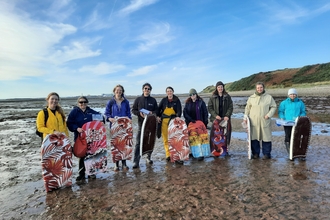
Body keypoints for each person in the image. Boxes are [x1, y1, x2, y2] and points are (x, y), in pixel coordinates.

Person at [67, 96, 102, 181]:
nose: (83, 104)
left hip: (90, 137)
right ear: (78, 103)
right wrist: (76, 128)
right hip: (80, 137)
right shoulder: (74, 112)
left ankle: (91, 173)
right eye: (81, 102)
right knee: (82, 155)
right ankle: (81, 174)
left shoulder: (91, 112)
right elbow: (69, 123)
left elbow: (101, 118)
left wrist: (101, 121)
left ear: (87, 103)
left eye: (84, 102)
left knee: (91, 154)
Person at [244, 82, 277, 159]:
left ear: (263, 88)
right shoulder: (251, 98)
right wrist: (245, 118)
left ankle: (266, 154)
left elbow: (274, 107)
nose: (259, 89)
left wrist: (268, 115)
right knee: (254, 138)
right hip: (254, 121)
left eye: (261, 87)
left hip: (265, 121)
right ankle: (255, 153)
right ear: (256, 88)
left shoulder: (269, 97)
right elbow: (247, 108)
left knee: (266, 138)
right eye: (258, 88)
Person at [104, 84, 132, 171]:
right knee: (115, 145)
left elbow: (128, 113)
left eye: (120, 90)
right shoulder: (111, 102)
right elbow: (106, 113)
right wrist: (109, 118)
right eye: (117, 90)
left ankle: (124, 164)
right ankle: (116, 164)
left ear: (122, 91)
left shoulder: (126, 102)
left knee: (124, 145)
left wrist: (129, 119)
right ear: (114, 91)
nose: (119, 91)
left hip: (124, 126)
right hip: (114, 126)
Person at [131, 83, 158, 169]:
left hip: (151, 125)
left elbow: (157, 111)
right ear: (143, 89)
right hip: (141, 124)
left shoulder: (153, 100)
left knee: (150, 141)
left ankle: (148, 157)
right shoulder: (138, 99)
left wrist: (152, 113)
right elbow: (133, 110)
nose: (147, 90)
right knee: (138, 143)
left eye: (148, 89)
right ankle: (136, 161)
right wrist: (139, 113)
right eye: (145, 88)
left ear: (150, 90)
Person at [158, 86, 182, 162]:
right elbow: (158, 109)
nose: (169, 92)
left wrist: (178, 116)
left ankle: (175, 154)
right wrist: (157, 116)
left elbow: (179, 110)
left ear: (173, 92)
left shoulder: (177, 100)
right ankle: (168, 154)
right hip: (164, 122)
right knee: (165, 139)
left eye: (170, 91)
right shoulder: (163, 100)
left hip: (173, 121)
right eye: (168, 91)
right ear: (166, 92)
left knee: (174, 138)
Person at [183, 88, 209, 161]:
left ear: (196, 94)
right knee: (193, 138)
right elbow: (185, 113)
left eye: (193, 94)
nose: (192, 96)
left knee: (201, 138)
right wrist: (190, 120)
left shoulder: (201, 102)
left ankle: (201, 154)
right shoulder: (188, 103)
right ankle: (194, 152)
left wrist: (205, 123)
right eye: (191, 95)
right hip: (191, 124)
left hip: (200, 123)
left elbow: (205, 113)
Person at [278, 88, 306, 153]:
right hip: (287, 123)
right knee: (288, 136)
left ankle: (297, 151)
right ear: (288, 95)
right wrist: (282, 117)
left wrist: (300, 117)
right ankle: (290, 152)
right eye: (291, 94)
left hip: (297, 122)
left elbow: (303, 112)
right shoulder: (284, 103)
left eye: (294, 94)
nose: (292, 95)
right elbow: (280, 111)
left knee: (297, 136)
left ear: (296, 95)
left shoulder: (300, 102)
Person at [208, 81, 233, 152]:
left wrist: (227, 115)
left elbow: (230, 107)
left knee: (225, 135)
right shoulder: (213, 97)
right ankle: (216, 150)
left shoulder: (227, 96)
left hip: (225, 119)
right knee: (216, 135)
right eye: (218, 87)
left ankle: (225, 150)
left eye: (221, 87)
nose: (220, 88)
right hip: (216, 120)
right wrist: (215, 115)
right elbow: (210, 108)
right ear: (216, 88)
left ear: (223, 87)